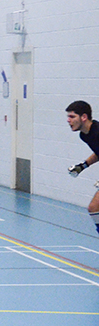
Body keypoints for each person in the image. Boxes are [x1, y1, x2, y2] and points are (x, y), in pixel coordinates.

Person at [66, 100, 99, 235]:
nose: (68, 120)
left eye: (72, 116)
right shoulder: (85, 135)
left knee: (94, 207)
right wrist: (83, 166)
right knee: (94, 208)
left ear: (84, 117)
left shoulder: (98, 132)